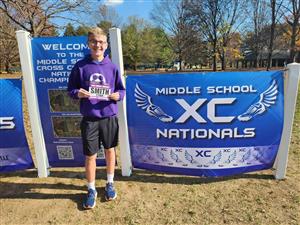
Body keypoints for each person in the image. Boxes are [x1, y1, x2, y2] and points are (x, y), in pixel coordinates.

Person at [67, 27, 125, 209]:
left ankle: (109, 183)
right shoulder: (80, 66)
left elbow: (121, 90)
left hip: (108, 117)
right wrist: (79, 94)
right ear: (89, 44)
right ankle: (91, 189)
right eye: (94, 42)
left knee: (110, 150)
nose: (97, 45)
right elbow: (71, 90)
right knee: (90, 155)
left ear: (106, 45)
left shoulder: (113, 66)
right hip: (90, 119)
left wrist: (118, 96)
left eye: (101, 42)